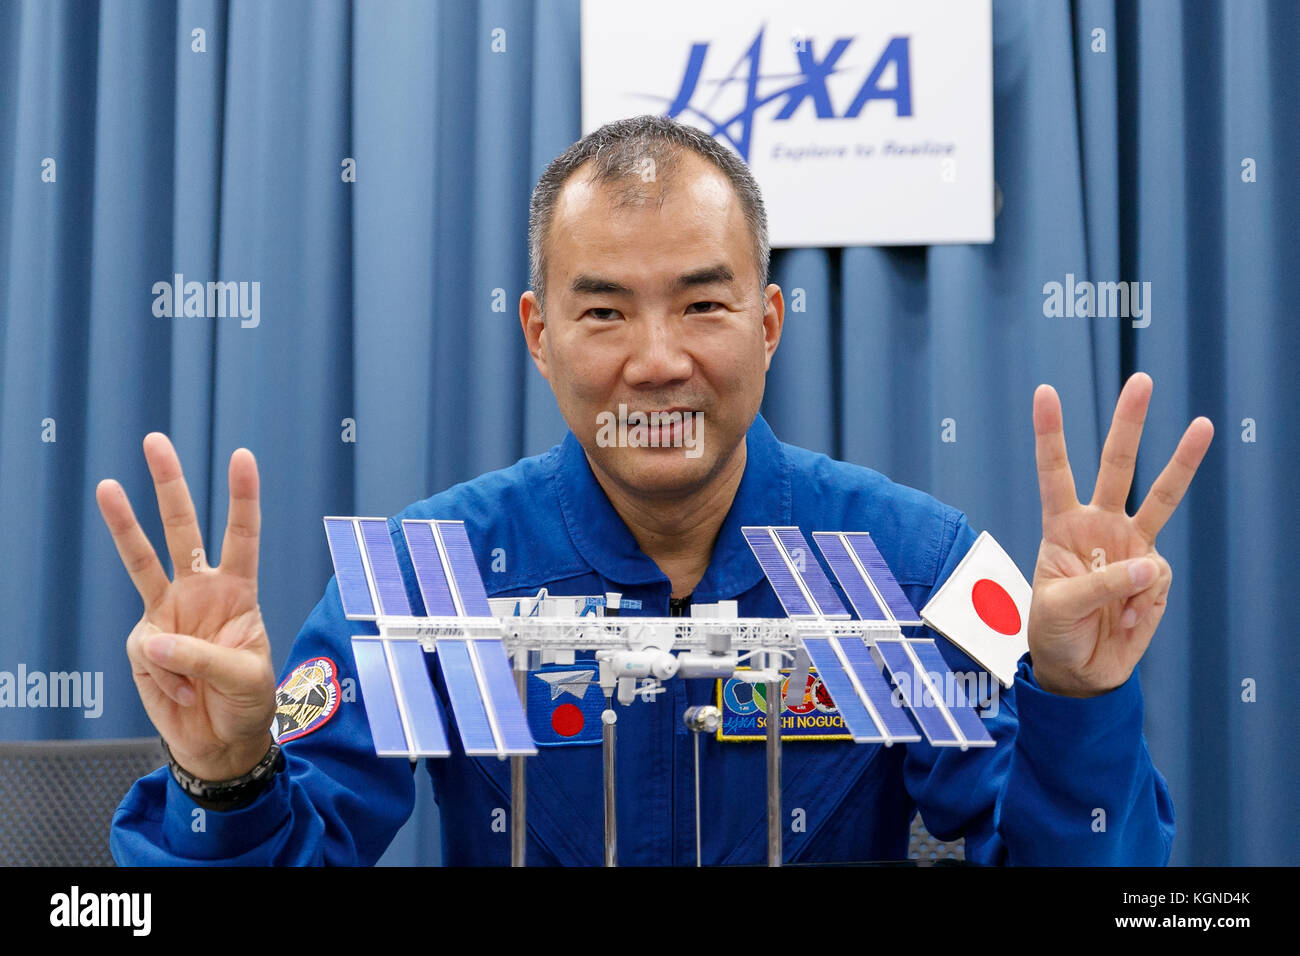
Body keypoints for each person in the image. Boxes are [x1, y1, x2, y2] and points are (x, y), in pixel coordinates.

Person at [98, 115, 1213, 866]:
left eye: (701, 304)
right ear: (539, 336)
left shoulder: (914, 562)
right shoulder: (432, 575)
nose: (656, 358)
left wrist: (1072, 697)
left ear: (767, 325)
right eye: (602, 311)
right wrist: (229, 771)